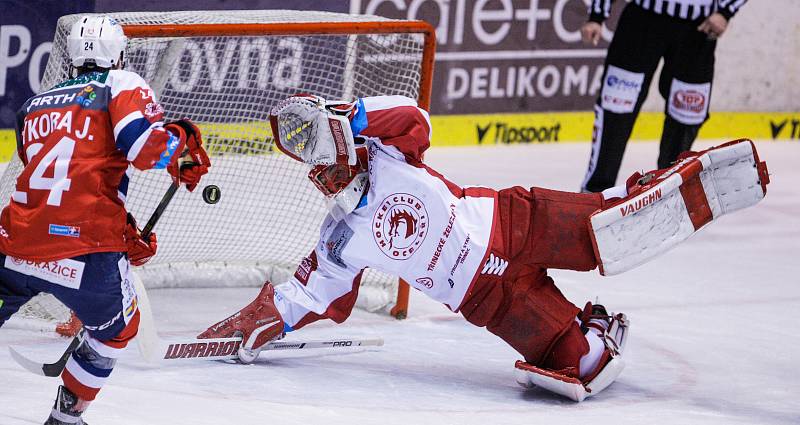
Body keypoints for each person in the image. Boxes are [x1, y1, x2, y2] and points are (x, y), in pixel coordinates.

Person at [199, 94, 767, 401]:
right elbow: (308, 296)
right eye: (318, 174)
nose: (325, 179)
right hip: (490, 297)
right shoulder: (341, 239)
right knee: (585, 366)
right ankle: (591, 328)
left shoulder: (387, 151)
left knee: (607, 227)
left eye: (328, 162)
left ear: (345, 146)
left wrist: (352, 114)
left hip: (511, 222)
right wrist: (253, 325)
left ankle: (665, 190)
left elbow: (416, 117)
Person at [0, 16, 210, 424]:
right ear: (118, 53)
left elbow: (61, 182)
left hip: (13, 246)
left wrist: (122, 228)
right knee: (116, 331)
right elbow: (145, 150)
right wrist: (183, 139)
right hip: (84, 256)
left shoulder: (33, 106)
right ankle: (65, 419)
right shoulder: (122, 84)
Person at [580, 0, 748, 193]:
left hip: (698, 29)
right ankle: (595, 192)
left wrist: (726, 11)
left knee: (686, 115)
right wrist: (597, 16)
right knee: (616, 106)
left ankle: (669, 192)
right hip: (641, 20)